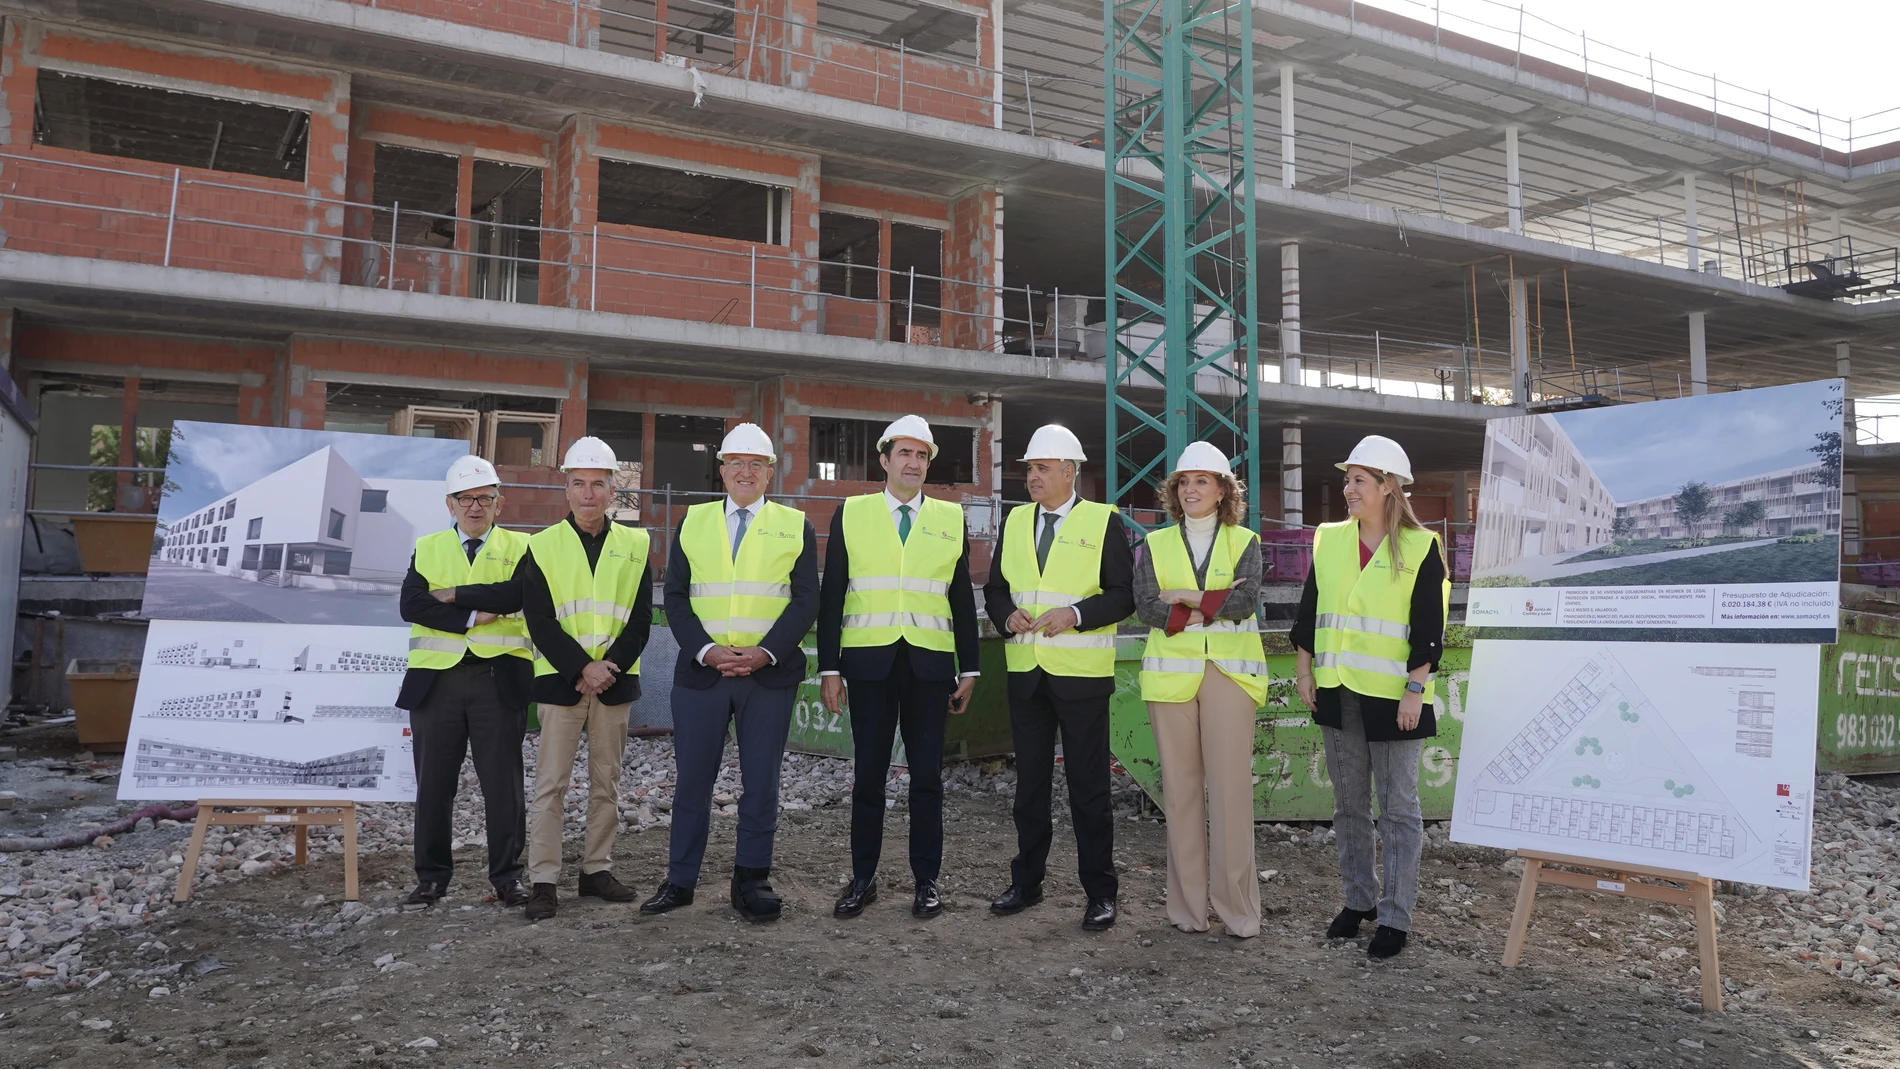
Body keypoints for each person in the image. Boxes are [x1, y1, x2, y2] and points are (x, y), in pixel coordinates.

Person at [435, 435, 653, 923]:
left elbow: (640, 619)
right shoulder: (543, 545)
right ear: (567, 489)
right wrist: (583, 668)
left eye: (598, 484)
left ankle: (596, 870)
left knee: (607, 784)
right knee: (550, 786)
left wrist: (606, 667)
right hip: (562, 684)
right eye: (579, 484)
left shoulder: (637, 544)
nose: (589, 494)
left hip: (615, 682)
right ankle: (544, 880)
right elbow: (540, 619)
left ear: (613, 488)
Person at [642, 423, 820, 922]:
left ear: (770, 472)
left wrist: (766, 652)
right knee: (692, 782)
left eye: (756, 464)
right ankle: (680, 881)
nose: (746, 471)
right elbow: (674, 596)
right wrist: (704, 650)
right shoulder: (693, 522)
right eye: (736, 462)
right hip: (704, 675)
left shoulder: (794, 524)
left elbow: (806, 599)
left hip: (768, 675)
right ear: (721, 469)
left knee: (761, 781)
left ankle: (752, 879)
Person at [1290, 434, 1448, 959]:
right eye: (1347, 479)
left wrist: (1414, 690)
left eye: (1358, 480)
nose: (1347, 488)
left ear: (1388, 487)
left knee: (1399, 808)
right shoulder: (1329, 538)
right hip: (1336, 691)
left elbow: (1429, 626)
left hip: (1394, 698)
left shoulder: (1422, 547)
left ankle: (1395, 915)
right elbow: (1311, 609)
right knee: (1349, 805)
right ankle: (1358, 902)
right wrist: (1304, 669)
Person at [818, 415, 981, 920]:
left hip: (930, 668)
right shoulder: (853, 513)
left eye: (922, 456)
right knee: (868, 775)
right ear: (884, 460)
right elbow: (833, 594)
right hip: (868, 665)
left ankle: (926, 881)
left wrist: (970, 668)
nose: (914, 463)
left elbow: (959, 598)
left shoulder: (951, 518)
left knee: (927, 778)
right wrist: (829, 668)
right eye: (905, 454)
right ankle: (862, 877)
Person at [982, 424, 1134, 931]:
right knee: (1029, 789)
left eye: (1042, 468)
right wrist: (1007, 617)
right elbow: (997, 589)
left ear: (1071, 471)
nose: (1032, 477)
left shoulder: (1104, 521)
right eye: (1029, 469)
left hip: (1082, 677)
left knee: (1088, 789)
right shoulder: (1016, 521)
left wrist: (1074, 612)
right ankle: (1026, 883)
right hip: (1027, 674)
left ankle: (1100, 893)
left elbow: (1123, 594)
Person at [1132, 442, 1269, 938]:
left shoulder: (1245, 541)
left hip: (1230, 675)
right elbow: (1144, 606)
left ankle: (1238, 912)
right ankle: (1188, 910)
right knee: (1182, 795)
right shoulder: (1154, 544)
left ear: (1222, 491)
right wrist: (1214, 599)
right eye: (1183, 482)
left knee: (1231, 796)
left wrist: (1187, 598)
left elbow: (1247, 601)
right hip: (1170, 679)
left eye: (1201, 481)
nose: (1190, 489)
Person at [395, 455, 535, 909]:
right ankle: (431, 877)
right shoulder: (429, 546)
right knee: (434, 783)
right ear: (450, 503)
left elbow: (516, 596)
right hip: (437, 683)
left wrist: (453, 597)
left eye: (484, 498)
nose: (475, 507)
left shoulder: (521, 547)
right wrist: (477, 614)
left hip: (499, 679)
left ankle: (509, 878)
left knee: (503, 784)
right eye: (466, 498)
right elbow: (412, 606)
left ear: (500, 503)